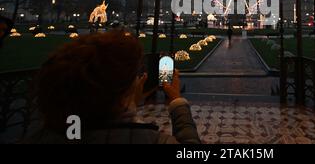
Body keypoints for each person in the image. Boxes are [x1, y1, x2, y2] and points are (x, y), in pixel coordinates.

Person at [26, 31, 201, 144]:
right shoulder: (153, 140)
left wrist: (131, 101)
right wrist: (177, 101)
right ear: (123, 91)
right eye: (135, 76)